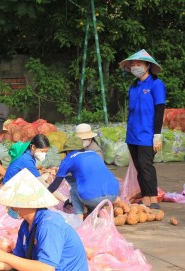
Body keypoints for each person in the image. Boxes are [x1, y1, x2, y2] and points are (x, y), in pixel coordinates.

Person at [119, 49, 166, 210]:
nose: (135, 67)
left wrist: (157, 134)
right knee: (139, 166)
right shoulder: (134, 86)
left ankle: (153, 198)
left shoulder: (156, 84)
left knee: (146, 165)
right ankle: (145, 197)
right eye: (133, 65)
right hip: (132, 133)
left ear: (147, 66)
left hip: (147, 134)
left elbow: (159, 110)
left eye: (139, 64)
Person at [48, 136, 119, 219]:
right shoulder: (93, 154)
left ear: (68, 151)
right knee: (88, 185)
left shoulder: (69, 158)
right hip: (114, 195)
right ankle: (100, 216)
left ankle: (79, 219)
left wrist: (41, 198)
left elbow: (55, 185)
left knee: (74, 190)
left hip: (93, 198)